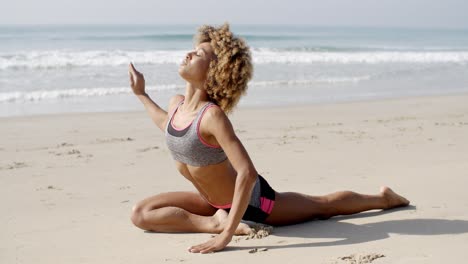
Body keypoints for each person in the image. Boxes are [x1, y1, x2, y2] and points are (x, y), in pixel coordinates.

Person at [128, 23, 409, 254]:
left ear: (216, 72)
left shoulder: (212, 117)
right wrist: (141, 94)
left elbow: (247, 173)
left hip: (256, 204)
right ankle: (213, 222)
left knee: (323, 207)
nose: (190, 54)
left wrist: (226, 237)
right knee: (141, 213)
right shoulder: (177, 105)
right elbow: (167, 123)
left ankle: (384, 198)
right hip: (213, 203)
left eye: (200, 54)